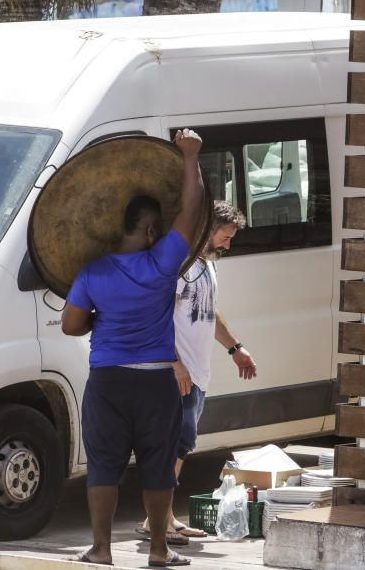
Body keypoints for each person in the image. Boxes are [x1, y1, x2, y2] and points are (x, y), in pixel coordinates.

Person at [61, 129, 204, 568]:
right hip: (156, 381)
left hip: (107, 380)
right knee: (158, 465)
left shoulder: (93, 272)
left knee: (104, 464)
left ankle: (101, 550)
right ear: (149, 229)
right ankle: (159, 550)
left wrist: (99, 318)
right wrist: (190, 157)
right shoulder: (162, 264)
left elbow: (70, 326)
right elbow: (193, 207)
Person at [136, 200, 257, 544]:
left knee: (179, 446)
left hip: (196, 373)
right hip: (176, 372)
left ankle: (163, 519)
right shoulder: (181, 265)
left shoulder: (206, 265)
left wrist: (235, 349)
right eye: (225, 236)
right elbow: (155, 316)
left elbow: (208, 312)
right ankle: (155, 522)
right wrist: (174, 363)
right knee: (177, 444)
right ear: (206, 227)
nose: (227, 244)